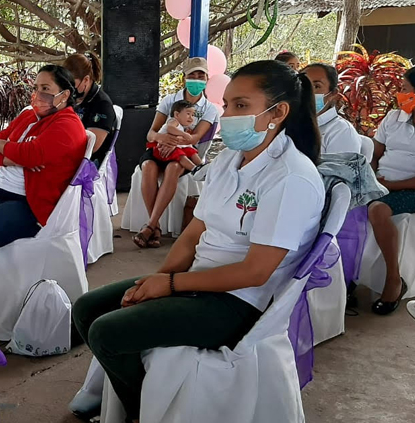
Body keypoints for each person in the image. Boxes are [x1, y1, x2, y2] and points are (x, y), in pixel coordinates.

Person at [72, 59, 324, 421]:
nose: (229, 114)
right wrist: (160, 279)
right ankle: (136, 394)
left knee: (107, 332)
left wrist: (172, 283)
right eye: (228, 104)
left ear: (278, 112)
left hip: (239, 303)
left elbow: (256, 272)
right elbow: (194, 232)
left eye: (241, 106)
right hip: (198, 280)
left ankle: (140, 410)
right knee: (87, 308)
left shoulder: (290, 177)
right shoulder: (229, 160)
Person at [0, 65, 87, 312]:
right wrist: (12, 153)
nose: (38, 94)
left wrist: (8, 148)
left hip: (28, 203)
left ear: (65, 94)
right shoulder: (28, 115)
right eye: (36, 88)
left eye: (46, 89)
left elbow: (31, 153)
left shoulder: (68, 124)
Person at [133, 57, 219, 249]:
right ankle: (154, 226)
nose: (196, 79)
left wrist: (174, 143)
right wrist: (161, 138)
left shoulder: (210, 109)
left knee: (173, 168)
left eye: (201, 75)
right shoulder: (169, 101)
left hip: (183, 154)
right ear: (184, 78)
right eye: (192, 75)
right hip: (158, 149)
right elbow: (151, 133)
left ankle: (151, 226)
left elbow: (195, 138)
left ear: (207, 79)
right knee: (148, 166)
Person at [366, 64, 415, 315]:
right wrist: (370, 178)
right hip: (379, 183)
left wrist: (391, 185)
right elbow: (375, 153)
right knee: (339, 201)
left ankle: (393, 280)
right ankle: (345, 278)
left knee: (378, 209)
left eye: (405, 89)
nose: (399, 95)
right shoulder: (393, 118)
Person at [62, 53, 117, 165]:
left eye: (72, 84)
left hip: (86, 166)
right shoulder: (70, 99)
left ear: (86, 80)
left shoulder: (102, 105)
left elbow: (91, 147)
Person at [301, 63, 362, 154]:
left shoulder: (341, 132)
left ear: (333, 93)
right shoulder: (289, 122)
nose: (307, 92)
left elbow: (339, 168)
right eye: (303, 84)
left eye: (316, 86)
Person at [145, 100, 204, 172]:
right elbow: (170, 128)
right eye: (188, 114)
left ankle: (201, 166)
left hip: (174, 146)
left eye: (193, 115)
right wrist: (183, 134)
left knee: (191, 151)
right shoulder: (173, 121)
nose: (191, 118)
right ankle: (194, 169)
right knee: (180, 155)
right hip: (162, 148)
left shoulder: (181, 126)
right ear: (177, 114)